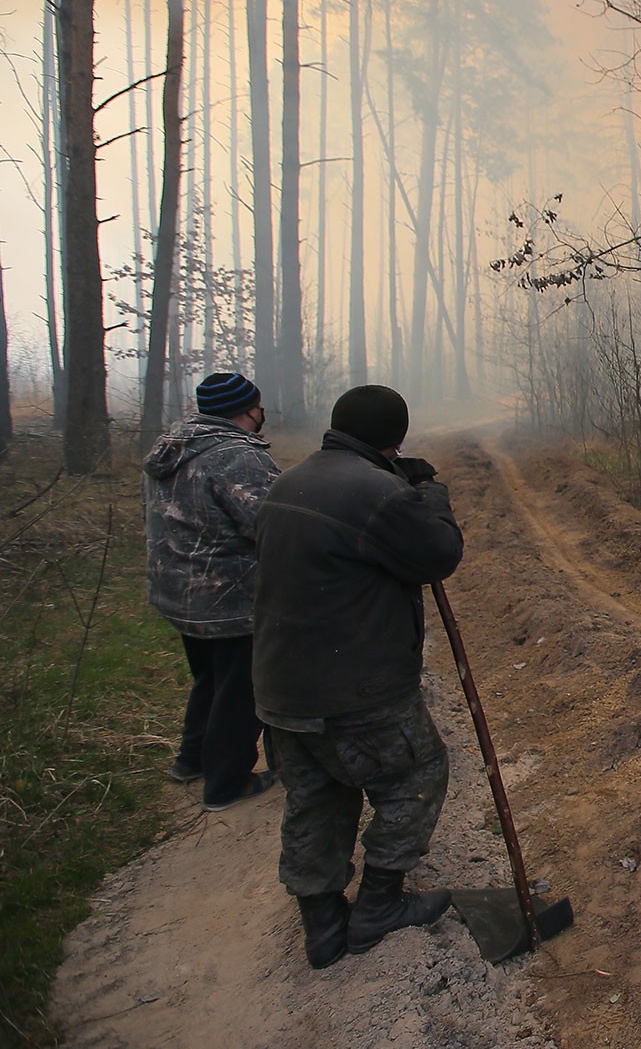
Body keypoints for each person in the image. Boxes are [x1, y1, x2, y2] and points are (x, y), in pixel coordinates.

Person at [252, 385, 465, 970]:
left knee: (316, 795)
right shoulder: (379, 493)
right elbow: (439, 554)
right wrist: (429, 494)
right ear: (396, 437)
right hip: (355, 689)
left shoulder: (285, 483)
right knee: (416, 773)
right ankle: (378, 906)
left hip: (279, 687)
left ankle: (322, 926)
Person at [143, 371, 280, 812]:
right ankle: (227, 783)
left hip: (180, 592)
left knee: (211, 679)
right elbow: (269, 523)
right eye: (258, 406)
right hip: (230, 598)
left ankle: (192, 760)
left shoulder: (173, 449)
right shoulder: (237, 456)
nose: (262, 414)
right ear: (248, 410)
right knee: (244, 689)